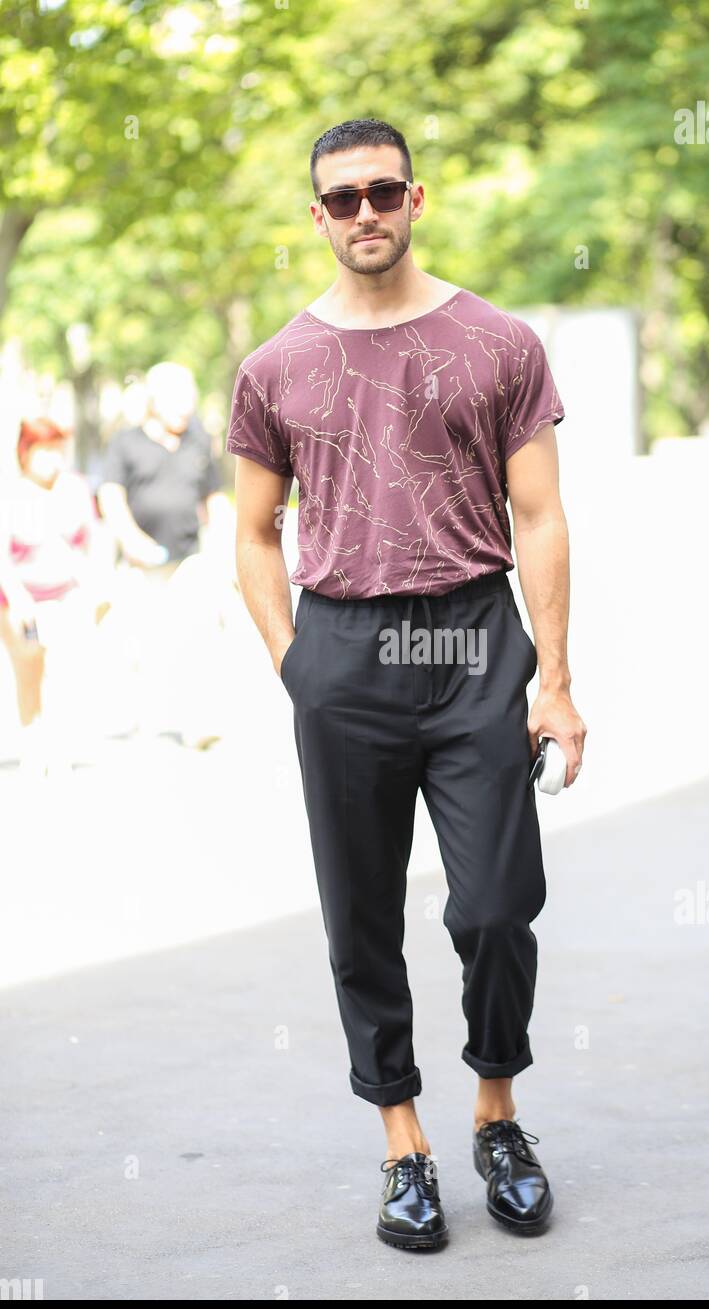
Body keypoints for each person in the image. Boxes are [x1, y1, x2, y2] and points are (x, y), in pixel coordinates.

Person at [227, 118, 587, 1249]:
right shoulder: (273, 367)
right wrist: (299, 665)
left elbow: (538, 515)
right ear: (318, 215)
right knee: (359, 922)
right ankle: (402, 1143)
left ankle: (494, 1113)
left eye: (382, 191)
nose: (365, 212)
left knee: (493, 907)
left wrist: (557, 679)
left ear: (415, 197)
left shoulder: (498, 343)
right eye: (342, 198)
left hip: (474, 643)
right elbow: (249, 534)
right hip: (345, 654)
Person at [97, 362, 234, 746]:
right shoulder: (126, 442)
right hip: (140, 561)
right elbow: (111, 496)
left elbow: (214, 498)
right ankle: (141, 720)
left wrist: (226, 547)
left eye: (189, 401)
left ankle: (198, 723)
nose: (185, 409)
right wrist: (131, 539)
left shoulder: (198, 442)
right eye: (178, 401)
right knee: (138, 642)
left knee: (199, 633)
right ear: (155, 402)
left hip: (188, 557)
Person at [0, 417, 114, 776]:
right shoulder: (11, 494)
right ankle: (34, 744)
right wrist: (18, 600)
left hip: (68, 593)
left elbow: (92, 542)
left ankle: (60, 746)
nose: (51, 459)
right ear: (26, 453)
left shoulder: (75, 489)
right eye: (43, 451)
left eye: (56, 451)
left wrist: (98, 589)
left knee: (66, 670)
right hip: (21, 600)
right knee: (29, 672)